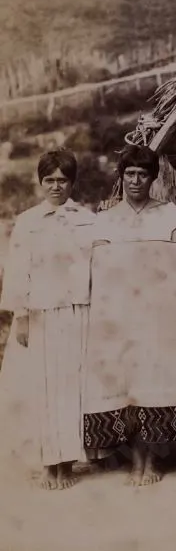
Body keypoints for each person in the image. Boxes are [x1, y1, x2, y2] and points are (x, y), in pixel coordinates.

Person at [81, 144, 176, 486]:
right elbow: (101, 270)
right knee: (129, 385)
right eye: (130, 174)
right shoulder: (107, 219)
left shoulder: (169, 215)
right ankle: (135, 459)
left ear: (153, 178)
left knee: (158, 383)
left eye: (143, 174)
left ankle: (153, 459)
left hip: (160, 315)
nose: (136, 180)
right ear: (121, 177)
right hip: (121, 316)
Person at [0, 149, 97, 489]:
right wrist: (21, 317)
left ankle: (67, 463)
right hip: (39, 314)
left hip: (75, 313)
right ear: (40, 182)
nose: (56, 187)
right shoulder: (28, 222)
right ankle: (47, 464)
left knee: (70, 389)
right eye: (49, 180)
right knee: (41, 389)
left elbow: (95, 268)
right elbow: (17, 272)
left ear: (72, 182)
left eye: (62, 180)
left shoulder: (87, 220)